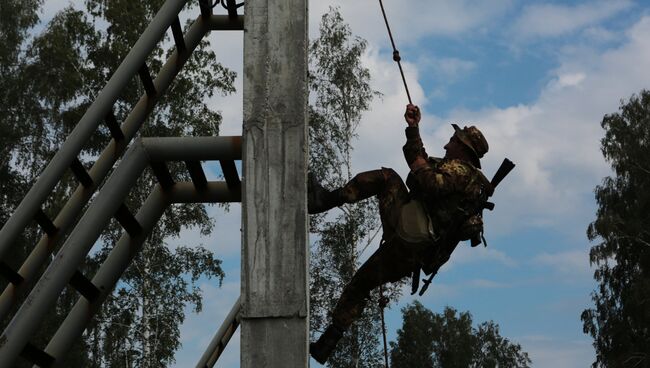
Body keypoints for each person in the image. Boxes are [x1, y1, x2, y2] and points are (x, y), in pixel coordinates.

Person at [308, 104, 494, 364]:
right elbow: (420, 161)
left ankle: (322, 200)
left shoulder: (461, 172)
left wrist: (418, 156)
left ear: (464, 148)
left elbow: (427, 182)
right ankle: (326, 344)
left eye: (453, 140)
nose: (447, 145)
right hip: (414, 252)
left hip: (411, 231)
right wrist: (413, 128)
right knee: (361, 283)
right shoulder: (462, 175)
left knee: (386, 178)